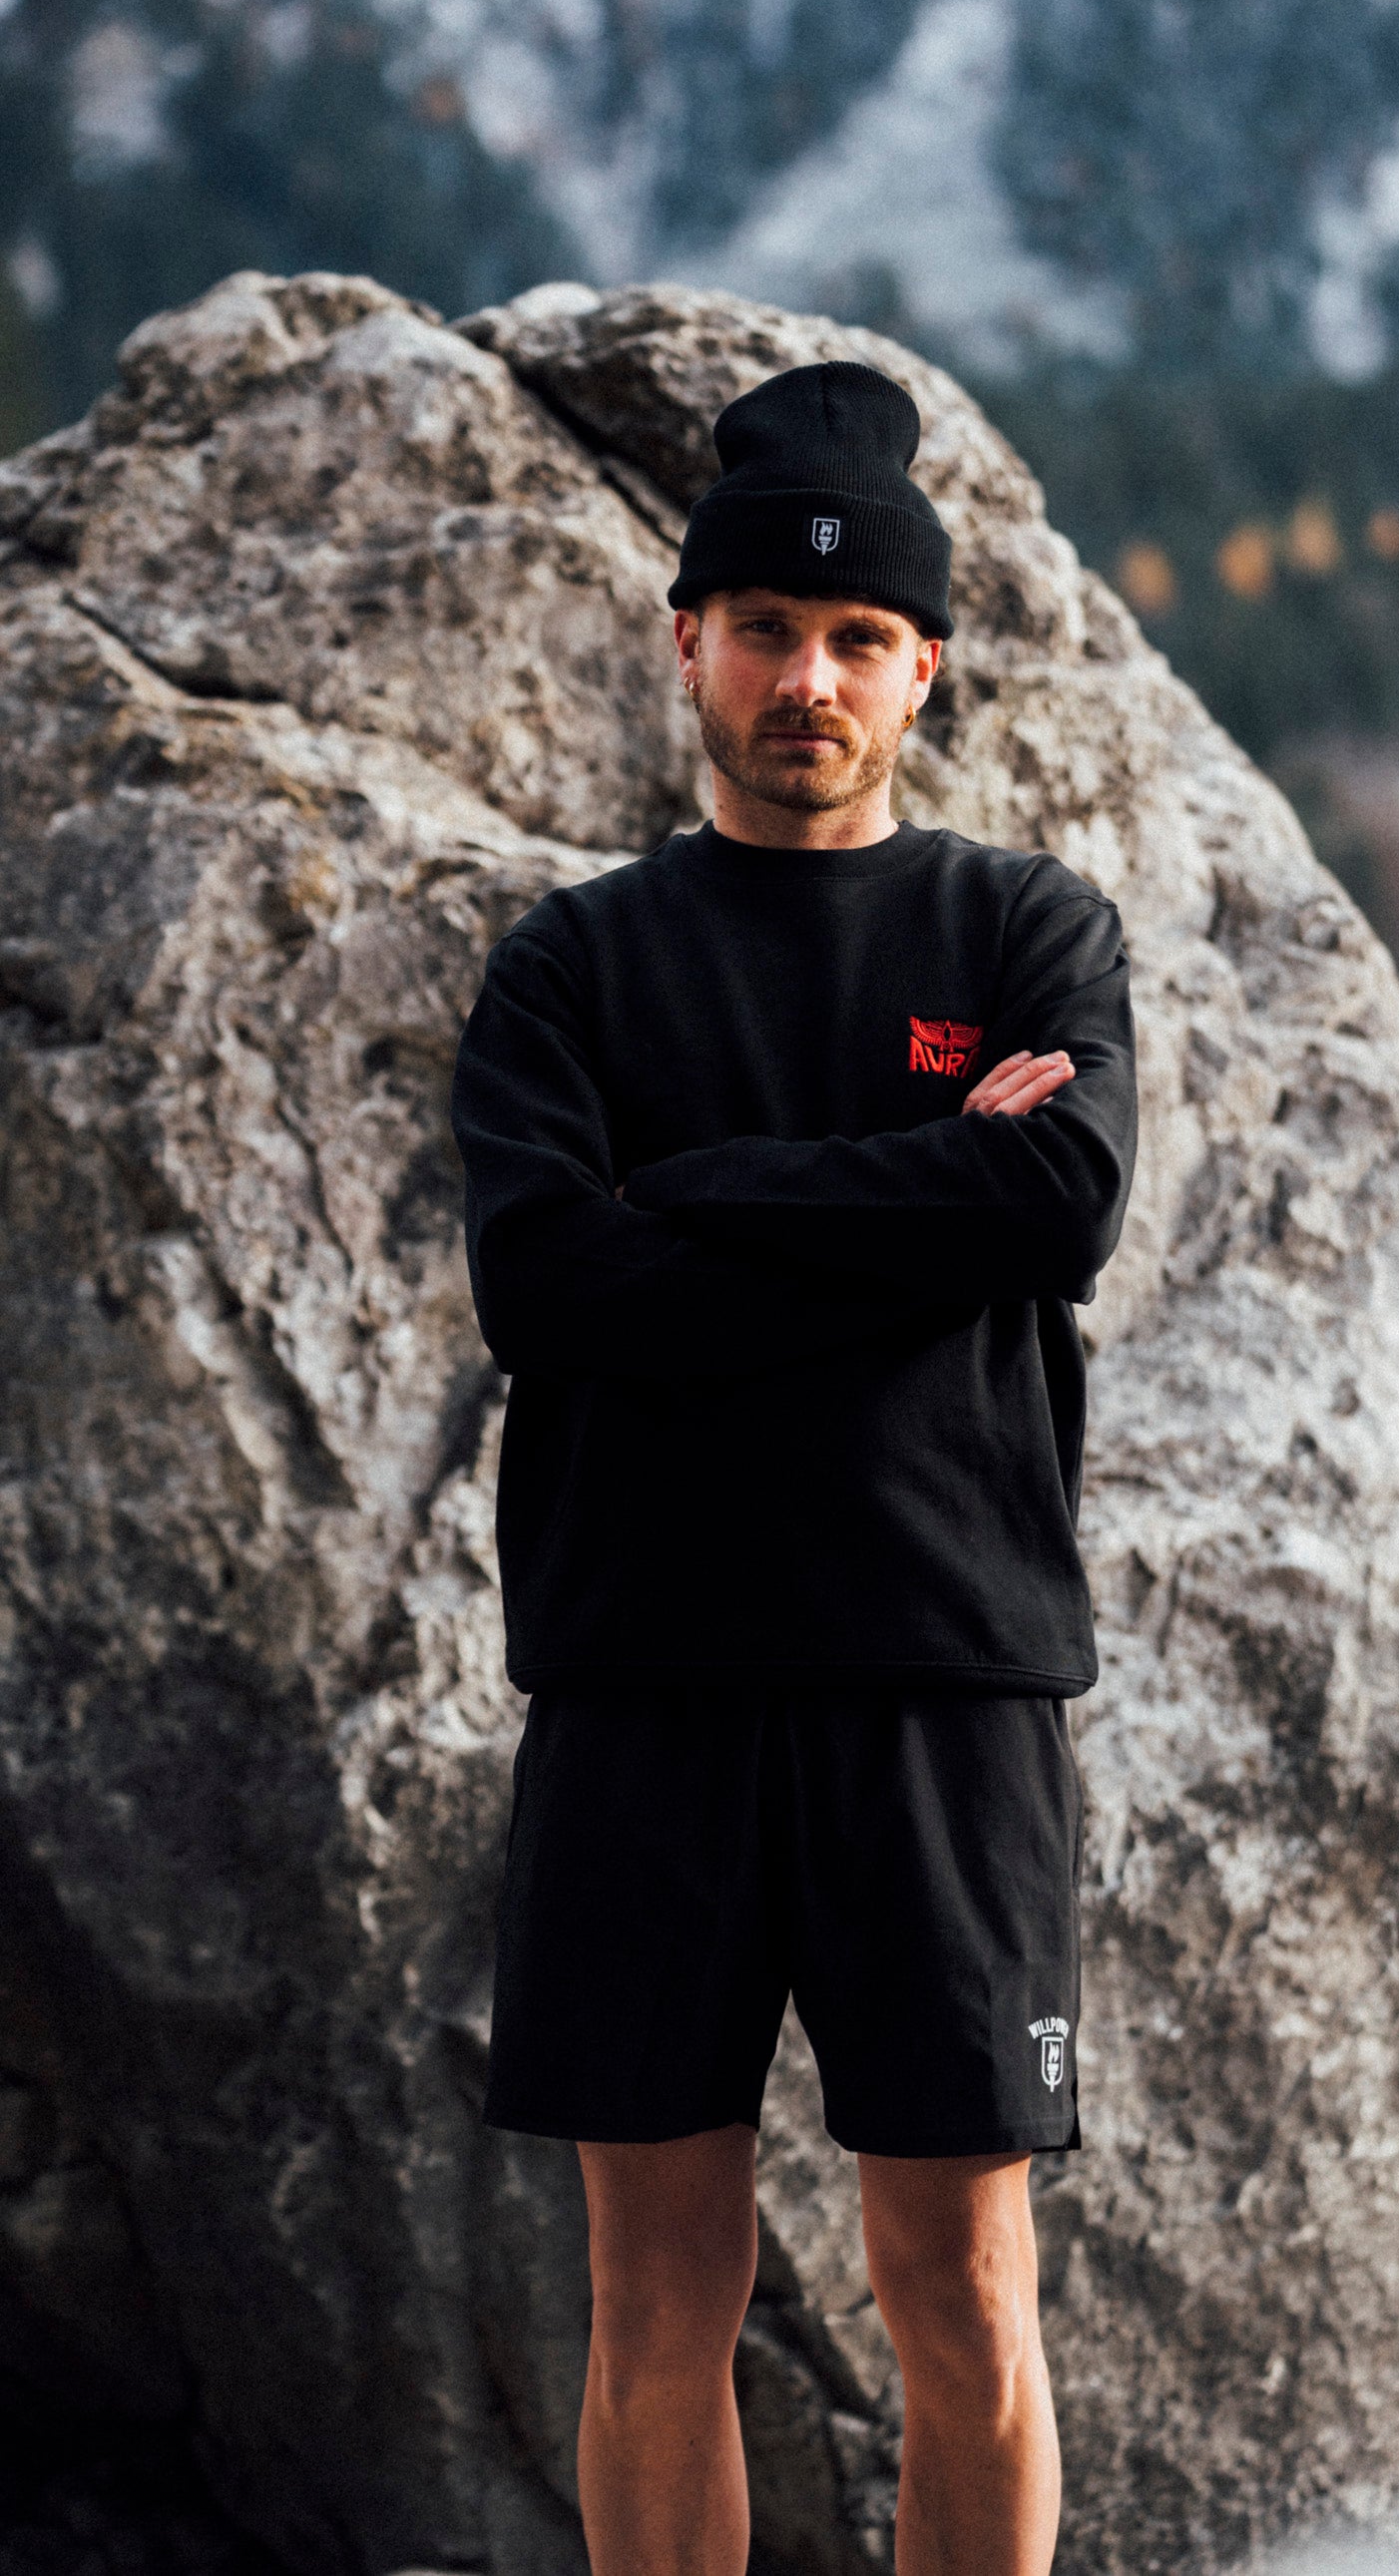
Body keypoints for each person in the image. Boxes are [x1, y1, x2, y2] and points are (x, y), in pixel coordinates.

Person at [451, 357, 1138, 2576]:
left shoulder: (1030, 933)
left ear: (924, 666)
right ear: (686, 643)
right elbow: (553, 1287)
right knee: (662, 2297)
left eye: (857, 641)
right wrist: (913, 1184)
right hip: (644, 1692)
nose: (807, 679)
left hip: (943, 1692)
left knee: (969, 2293)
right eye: (764, 628)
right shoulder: (574, 964)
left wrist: (710, 1197)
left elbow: (1058, 1211)